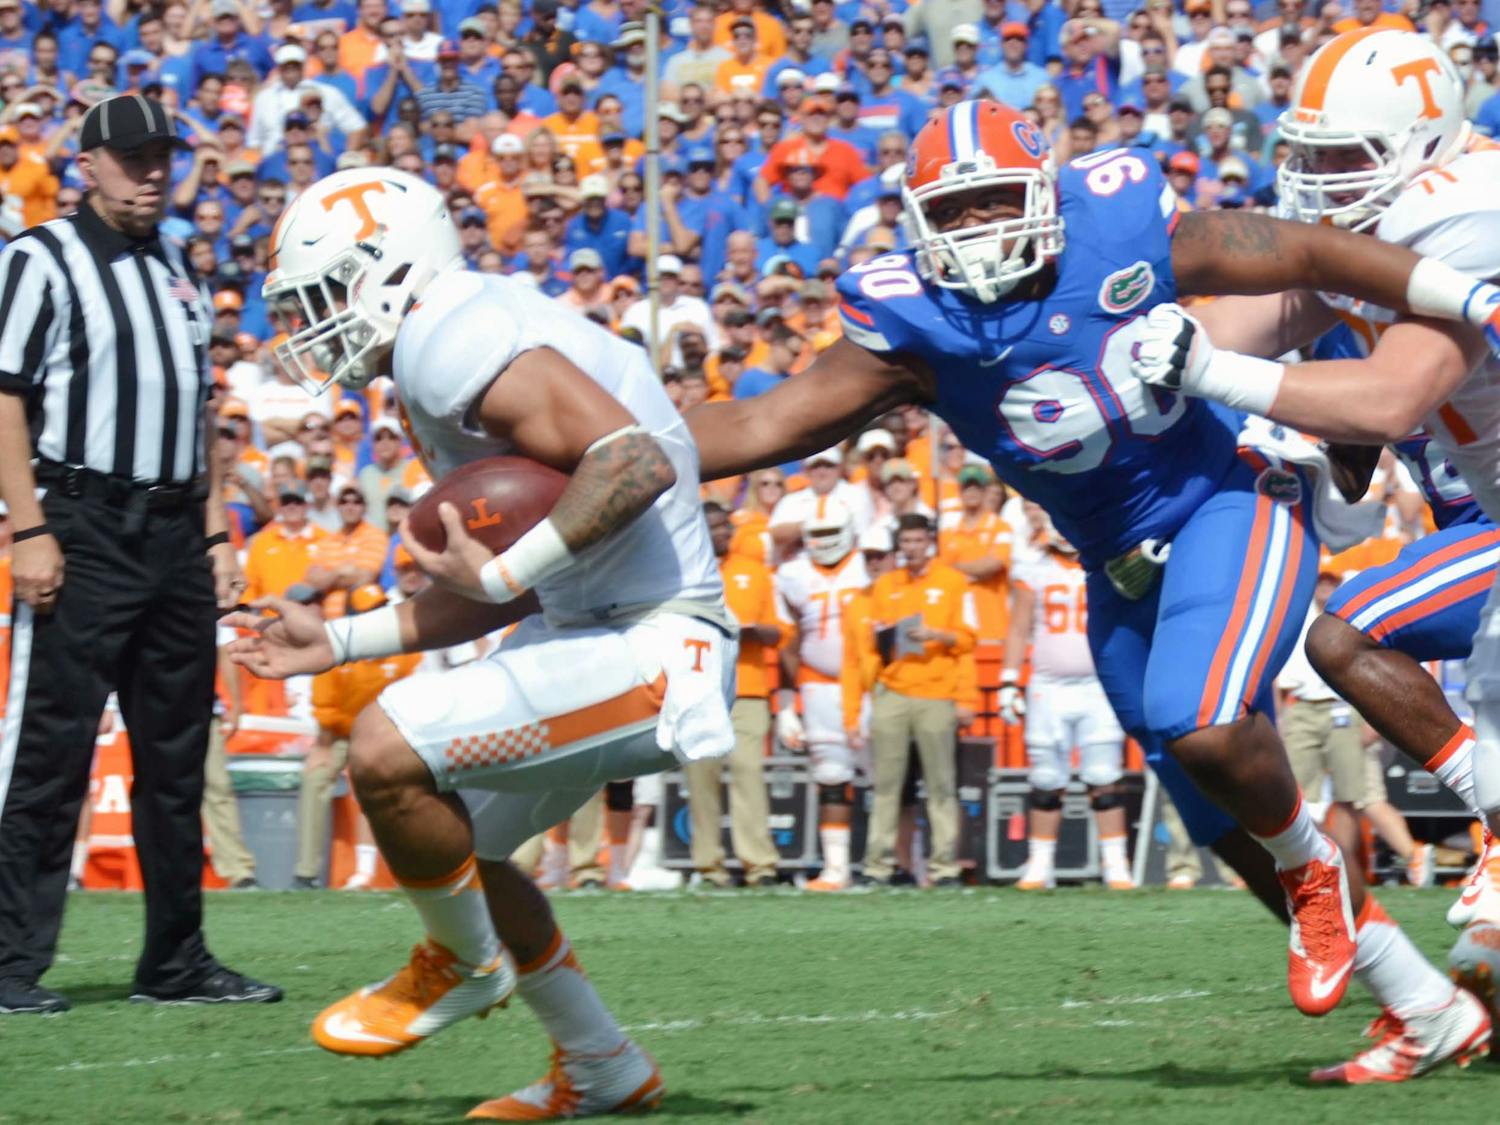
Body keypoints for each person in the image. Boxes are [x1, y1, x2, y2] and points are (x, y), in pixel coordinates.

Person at [684, 97, 1500, 1075]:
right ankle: (1425, 1008)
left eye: (994, 202)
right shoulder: (915, 326)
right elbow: (754, 428)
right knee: (1219, 818)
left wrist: (1464, 293)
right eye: (956, 213)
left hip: (1226, 503)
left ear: (1042, 193)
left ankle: (1324, 862)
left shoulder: (1120, 223)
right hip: (1114, 565)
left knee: (1202, 720)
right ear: (917, 223)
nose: (981, 230)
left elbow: (1308, 251)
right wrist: (604, 454)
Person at [227, 167, 735, 1117]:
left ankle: (462, 963)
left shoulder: (445, 334)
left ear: (389, 268)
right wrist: (333, 640)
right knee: (473, 850)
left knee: (383, 748)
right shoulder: (456, 336)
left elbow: (632, 460)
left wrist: (506, 573)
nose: (314, 324)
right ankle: (602, 1067)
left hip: (659, 643)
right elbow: (498, 585)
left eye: (328, 294)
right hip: (593, 632)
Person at [0, 95, 280, 1014]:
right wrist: (29, 525)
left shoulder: (176, 265)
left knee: (176, 753)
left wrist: (213, 533)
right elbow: (3, 395)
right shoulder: (40, 259)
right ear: (87, 165)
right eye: (131, 157)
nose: (151, 170)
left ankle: (175, 958)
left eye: (161, 154)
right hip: (80, 522)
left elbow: (197, 412)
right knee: (51, 751)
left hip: (171, 534)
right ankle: (7, 962)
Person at [1001, 504, 1133, 892]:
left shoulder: (1107, 562)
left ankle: (1116, 866)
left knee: (1103, 776)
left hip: (1096, 685)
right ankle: (1040, 865)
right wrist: (1009, 679)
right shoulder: (1034, 566)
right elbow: (1018, 627)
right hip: (1048, 685)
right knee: (1045, 778)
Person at [684, 502, 784, 888]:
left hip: (748, 687)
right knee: (701, 779)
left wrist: (753, 631)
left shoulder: (755, 571)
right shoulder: (684, 575)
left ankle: (759, 865)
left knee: (748, 773)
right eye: (715, 526)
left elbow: (778, 630)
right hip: (699, 688)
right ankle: (709, 866)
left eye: (726, 525)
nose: (725, 532)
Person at [774, 501, 870, 891]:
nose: (825, 542)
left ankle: (900, 859)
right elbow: (788, 643)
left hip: (867, 684)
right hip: (818, 685)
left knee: (888, 773)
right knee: (831, 775)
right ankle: (836, 867)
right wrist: (784, 704)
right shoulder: (791, 575)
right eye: (818, 534)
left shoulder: (869, 565)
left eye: (833, 533)